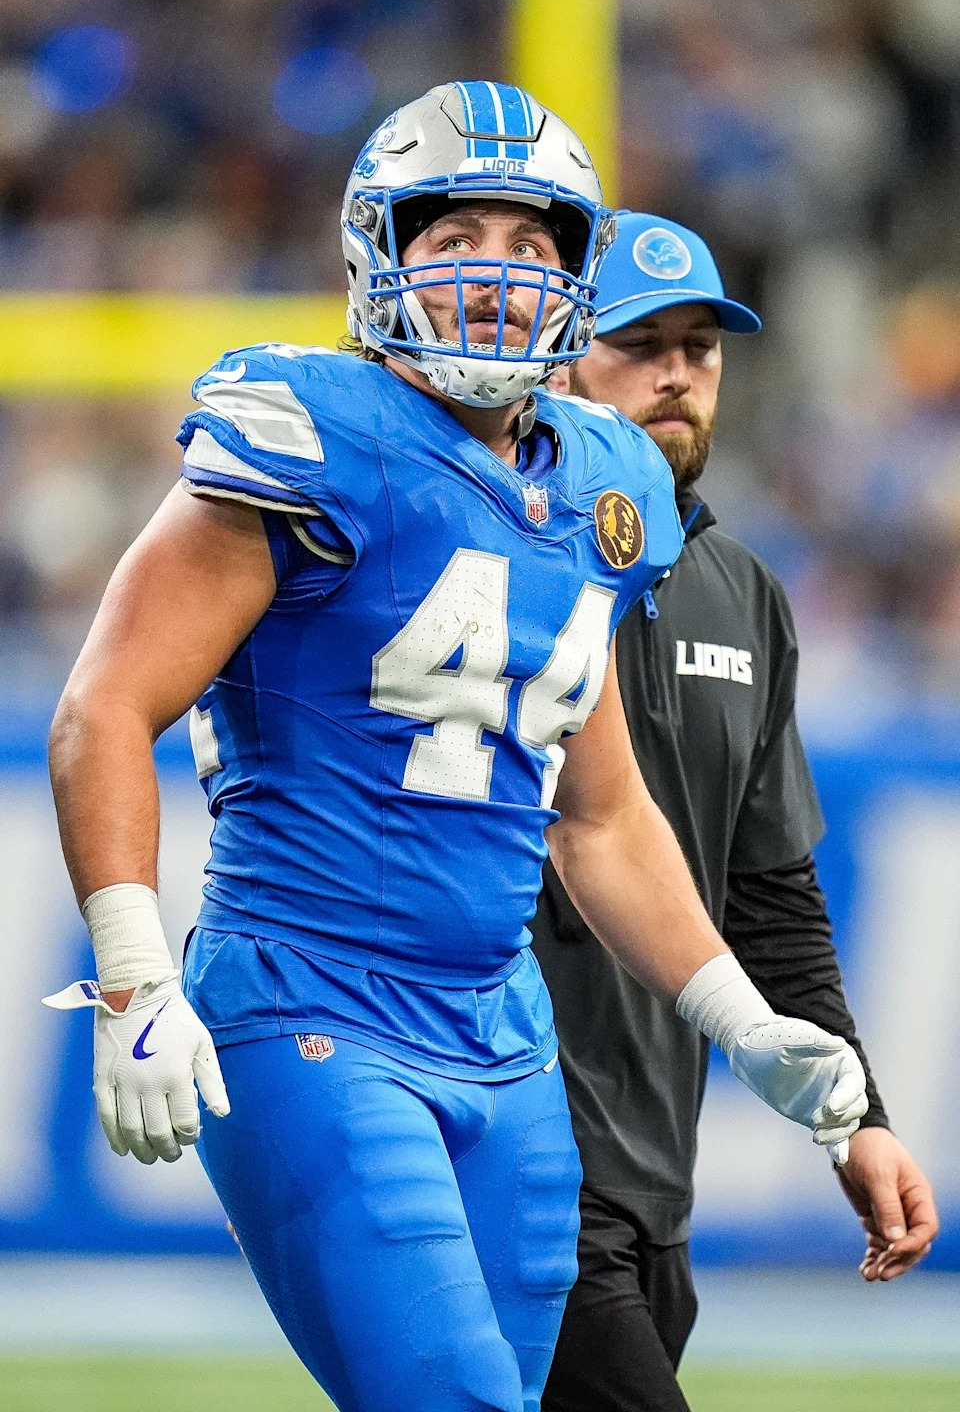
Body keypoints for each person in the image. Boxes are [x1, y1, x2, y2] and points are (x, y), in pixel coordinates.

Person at [43, 90, 869, 1412]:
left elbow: (599, 814)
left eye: (530, 243)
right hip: (312, 1005)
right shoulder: (313, 430)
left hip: (506, 1034)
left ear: (575, 269)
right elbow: (102, 709)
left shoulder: (607, 481)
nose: (494, 268)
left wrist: (738, 1015)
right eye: (455, 234)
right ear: (383, 254)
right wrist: (135, 976)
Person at [533, 212, 940, 1412]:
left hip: (657, 1177)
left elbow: (771, 897)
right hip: (506, 1152)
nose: (677, 376)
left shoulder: (744, 594)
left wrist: (856, 1118)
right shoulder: (489, 554)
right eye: (637, 343)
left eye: (700, 349)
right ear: (557, 359)